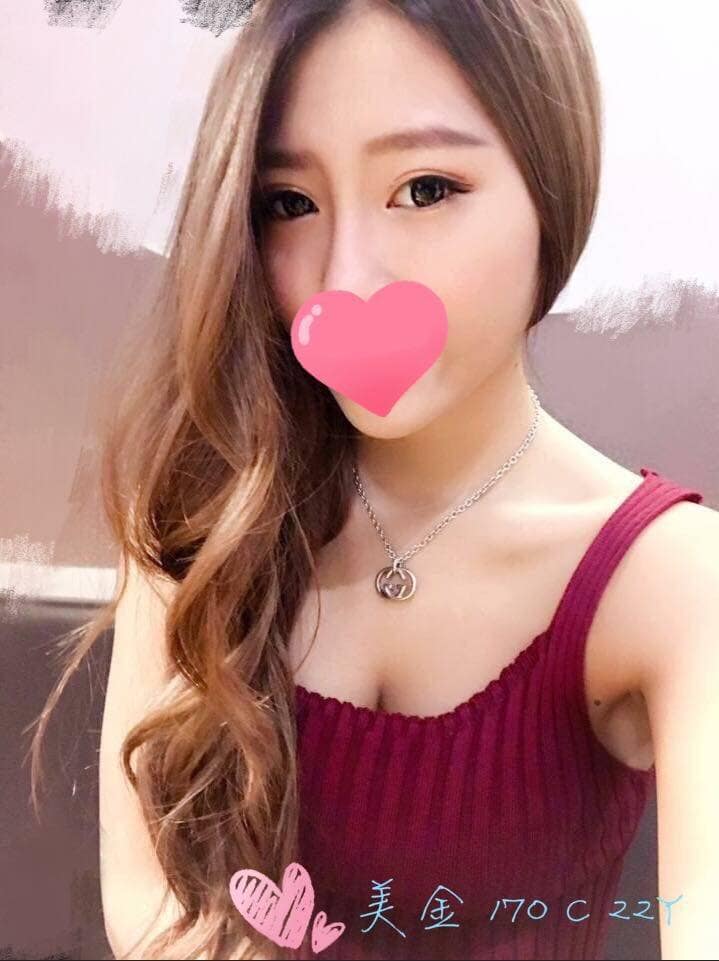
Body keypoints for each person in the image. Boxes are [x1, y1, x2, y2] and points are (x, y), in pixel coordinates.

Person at [27, 1, 719, 959]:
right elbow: (156, 916)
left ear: (550, 190)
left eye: (425, 188)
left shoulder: (671, 581)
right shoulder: (201, 520)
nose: (345, 279)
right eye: (289, 204)